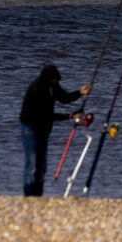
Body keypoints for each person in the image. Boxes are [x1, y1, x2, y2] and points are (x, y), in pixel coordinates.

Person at [19, 64, 91, 196]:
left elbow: (64, 98)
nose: (56, 83)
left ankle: (37, 195)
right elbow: (46, 116)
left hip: (43, 129)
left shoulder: (53, 85)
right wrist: (70, 116)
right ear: (47, 79)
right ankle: (29, 196)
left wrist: (80, 92)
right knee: (32, 164)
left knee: (42, 166)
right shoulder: (36, 91)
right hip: (30, 127)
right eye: (53, 80)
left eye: (56, 81)